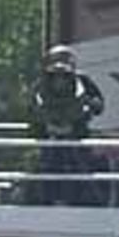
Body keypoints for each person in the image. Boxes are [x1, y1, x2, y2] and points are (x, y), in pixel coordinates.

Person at [30, 44, 105, 206]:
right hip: (50, 140)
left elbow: (99, 106)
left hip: (78, 137)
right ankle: (44, 201)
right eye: (55, 76)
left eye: (64, 75)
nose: (60, 80)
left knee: (82, 171)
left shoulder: (83, 82)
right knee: (47, 171)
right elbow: (32, 110)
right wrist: (46, 125)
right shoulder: (41, 85)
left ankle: (88, 202)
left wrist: (88, 104)